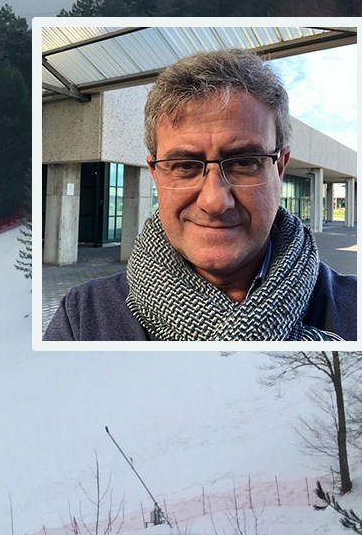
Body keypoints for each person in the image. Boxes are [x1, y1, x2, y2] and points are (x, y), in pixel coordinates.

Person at [45, 49, 357, 341]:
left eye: (244, 163)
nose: (214, 202)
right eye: (184, 165)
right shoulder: (82, 319)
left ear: (280, 168)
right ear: (155, 174)